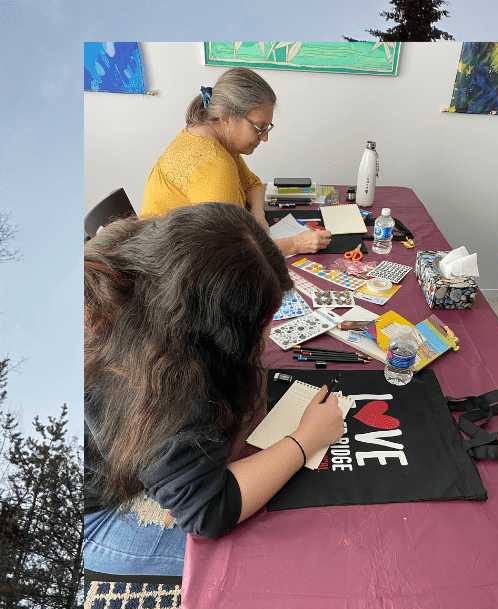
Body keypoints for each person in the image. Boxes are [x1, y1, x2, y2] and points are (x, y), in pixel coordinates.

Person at [83, 203, 345, 577]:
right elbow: (208, 511)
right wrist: (307, 439)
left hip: (109, 452)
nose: (267, 336)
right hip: (89, 518)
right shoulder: (160, 384)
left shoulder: (128, 275)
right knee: (268, 560)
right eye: (262, 325)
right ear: (217, 334)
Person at [139, 67, 330, 255]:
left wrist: (258, 215)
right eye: (259, 127)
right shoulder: (215, 165)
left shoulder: (209, 137)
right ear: (227, 116)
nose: (264, 138)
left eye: (267, 128)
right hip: (170, 269)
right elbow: (232, 252)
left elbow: (252, 183)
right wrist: (296, 244)